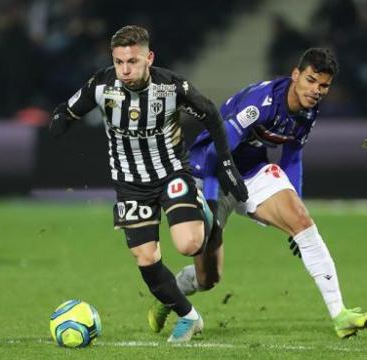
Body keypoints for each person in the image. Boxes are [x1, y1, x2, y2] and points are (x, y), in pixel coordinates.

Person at [148, 48, 367, 339]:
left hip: (251, 173)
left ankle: (340, 315)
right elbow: (216, 154)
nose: (316, 90)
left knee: (303, 224)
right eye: (310, 81)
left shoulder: (308, 110)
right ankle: (170, 294)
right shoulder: (262, 102)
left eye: (324, 85)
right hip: (208, 174)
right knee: (209, 278)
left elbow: (292, 157)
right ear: (296, 75)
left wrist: (297, 212)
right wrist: (214, 201)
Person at [49, 25, 248, 342]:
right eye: (119, 62)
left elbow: (210, 113)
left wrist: (225, 162)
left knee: (189, 245)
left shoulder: (170, 87)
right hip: (130, 184)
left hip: (171, 174)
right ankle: (189, 317)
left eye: (132, 61)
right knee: (146, 257)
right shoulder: (101, 85)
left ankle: (206, 209)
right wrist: (59, 122)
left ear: (148, 57)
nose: (125, 70)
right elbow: (67, 110)